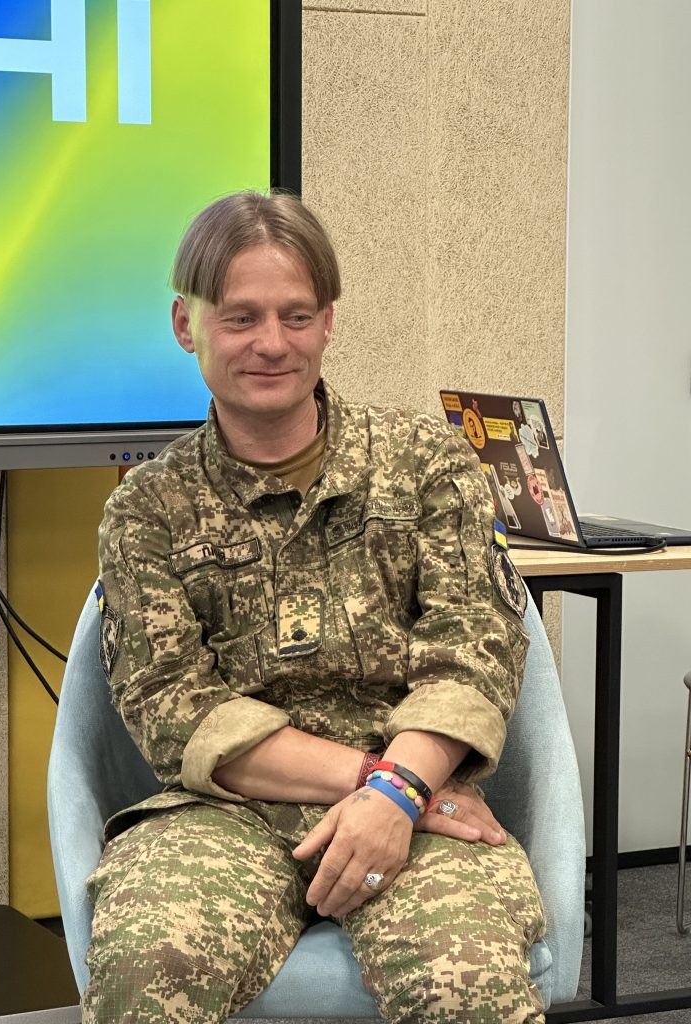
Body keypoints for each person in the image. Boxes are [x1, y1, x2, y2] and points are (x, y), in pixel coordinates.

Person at [85, 191, 546, 1024]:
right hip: (230, 816)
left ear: (328, 321)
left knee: (465, 979)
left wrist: (402, 793)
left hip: (418, 799)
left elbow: (473, 652)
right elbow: (175, 710)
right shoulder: (148, 509)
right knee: (150, 964)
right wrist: (381, 787)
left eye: (296, 316)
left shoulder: (425, 465)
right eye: (241, 317)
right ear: (187, 325)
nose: (272, 343)